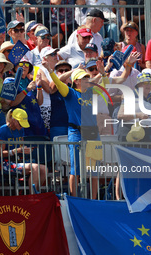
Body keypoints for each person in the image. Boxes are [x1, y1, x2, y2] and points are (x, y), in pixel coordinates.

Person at [42, 60, 101, 199]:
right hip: (76, 132)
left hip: (92, 133)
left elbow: (103, 79)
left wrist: (104, 70)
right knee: (75, 169)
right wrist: (50, 70)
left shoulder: (91, 92)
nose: (87, 80)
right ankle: (75, 199)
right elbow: (57, 82)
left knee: (94, 170)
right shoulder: (70, 93)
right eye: (84, 78)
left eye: (87, 77)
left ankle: (93, 200)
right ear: (77, 81)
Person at [0, 108, 47, 193]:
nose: (22, 126)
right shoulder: (3, 130)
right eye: (20, 123)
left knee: (44, 169)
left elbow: (21, 146)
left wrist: (25, 150)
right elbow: (1, 153)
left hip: (19, 161)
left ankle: (35, 192)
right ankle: (33, 196)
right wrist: (17, 150)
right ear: (14, 120)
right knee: (35, 167)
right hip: (6, 164)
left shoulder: (21, 130)